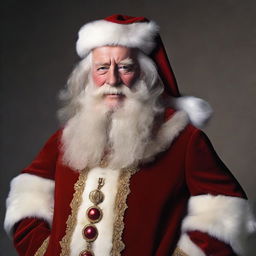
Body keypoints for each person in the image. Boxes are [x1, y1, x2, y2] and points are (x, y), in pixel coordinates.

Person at [4, 14, 255, 256]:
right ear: (88, 76)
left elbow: (226, 212)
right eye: (102, 68)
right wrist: (42, 250)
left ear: (145, 75)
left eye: (125, 67)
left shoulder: (183, 139)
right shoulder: (66, 137)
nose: (112, 79)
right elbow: (26, 197)